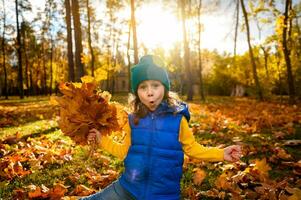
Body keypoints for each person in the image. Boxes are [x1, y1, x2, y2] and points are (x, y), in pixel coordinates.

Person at [81, 55, 242, 200]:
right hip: (129, 188)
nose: (149, 92)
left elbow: (193, 148)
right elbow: (125, 151)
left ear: (165, 88)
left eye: (155, 85)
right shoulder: (133, 120)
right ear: (137, 92)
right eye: (143, 87)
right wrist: (102, 140)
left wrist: (221, 154)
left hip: (163, 195)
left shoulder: (177, 120)